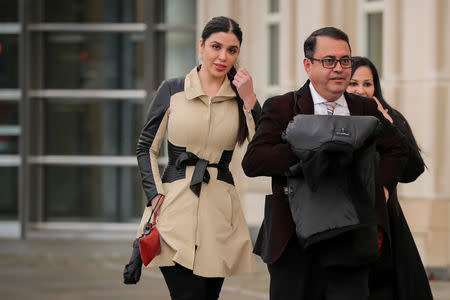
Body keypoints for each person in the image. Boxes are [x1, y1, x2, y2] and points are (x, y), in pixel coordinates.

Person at [242, 27, 408, 300]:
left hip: (351, 238)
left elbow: (397, 148)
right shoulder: (283, 107)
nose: (339, 69)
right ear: (308, 65)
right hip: (294, 241)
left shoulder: (363, 108)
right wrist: (317, 149)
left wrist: (382, 191)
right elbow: (254, 160)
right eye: (329, 61)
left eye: (345, 61)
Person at [124, 16, 261, 300]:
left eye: (232, 50)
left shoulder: (239, 97)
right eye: (216, 46)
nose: (223, 57)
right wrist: (154, 194)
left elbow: (262, 150)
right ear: (201, 46)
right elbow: (146, 146)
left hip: (220, 218)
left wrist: (250, 100)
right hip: (173, 212)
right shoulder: (172, 90)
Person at [347, 56, 433, 300]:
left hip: (386, 221)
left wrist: (391, 126)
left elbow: (413, 170)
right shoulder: (333, 119)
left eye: (368, 83)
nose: (361, 90)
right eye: (354, 83)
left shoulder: (388, 116)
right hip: (343, 220)